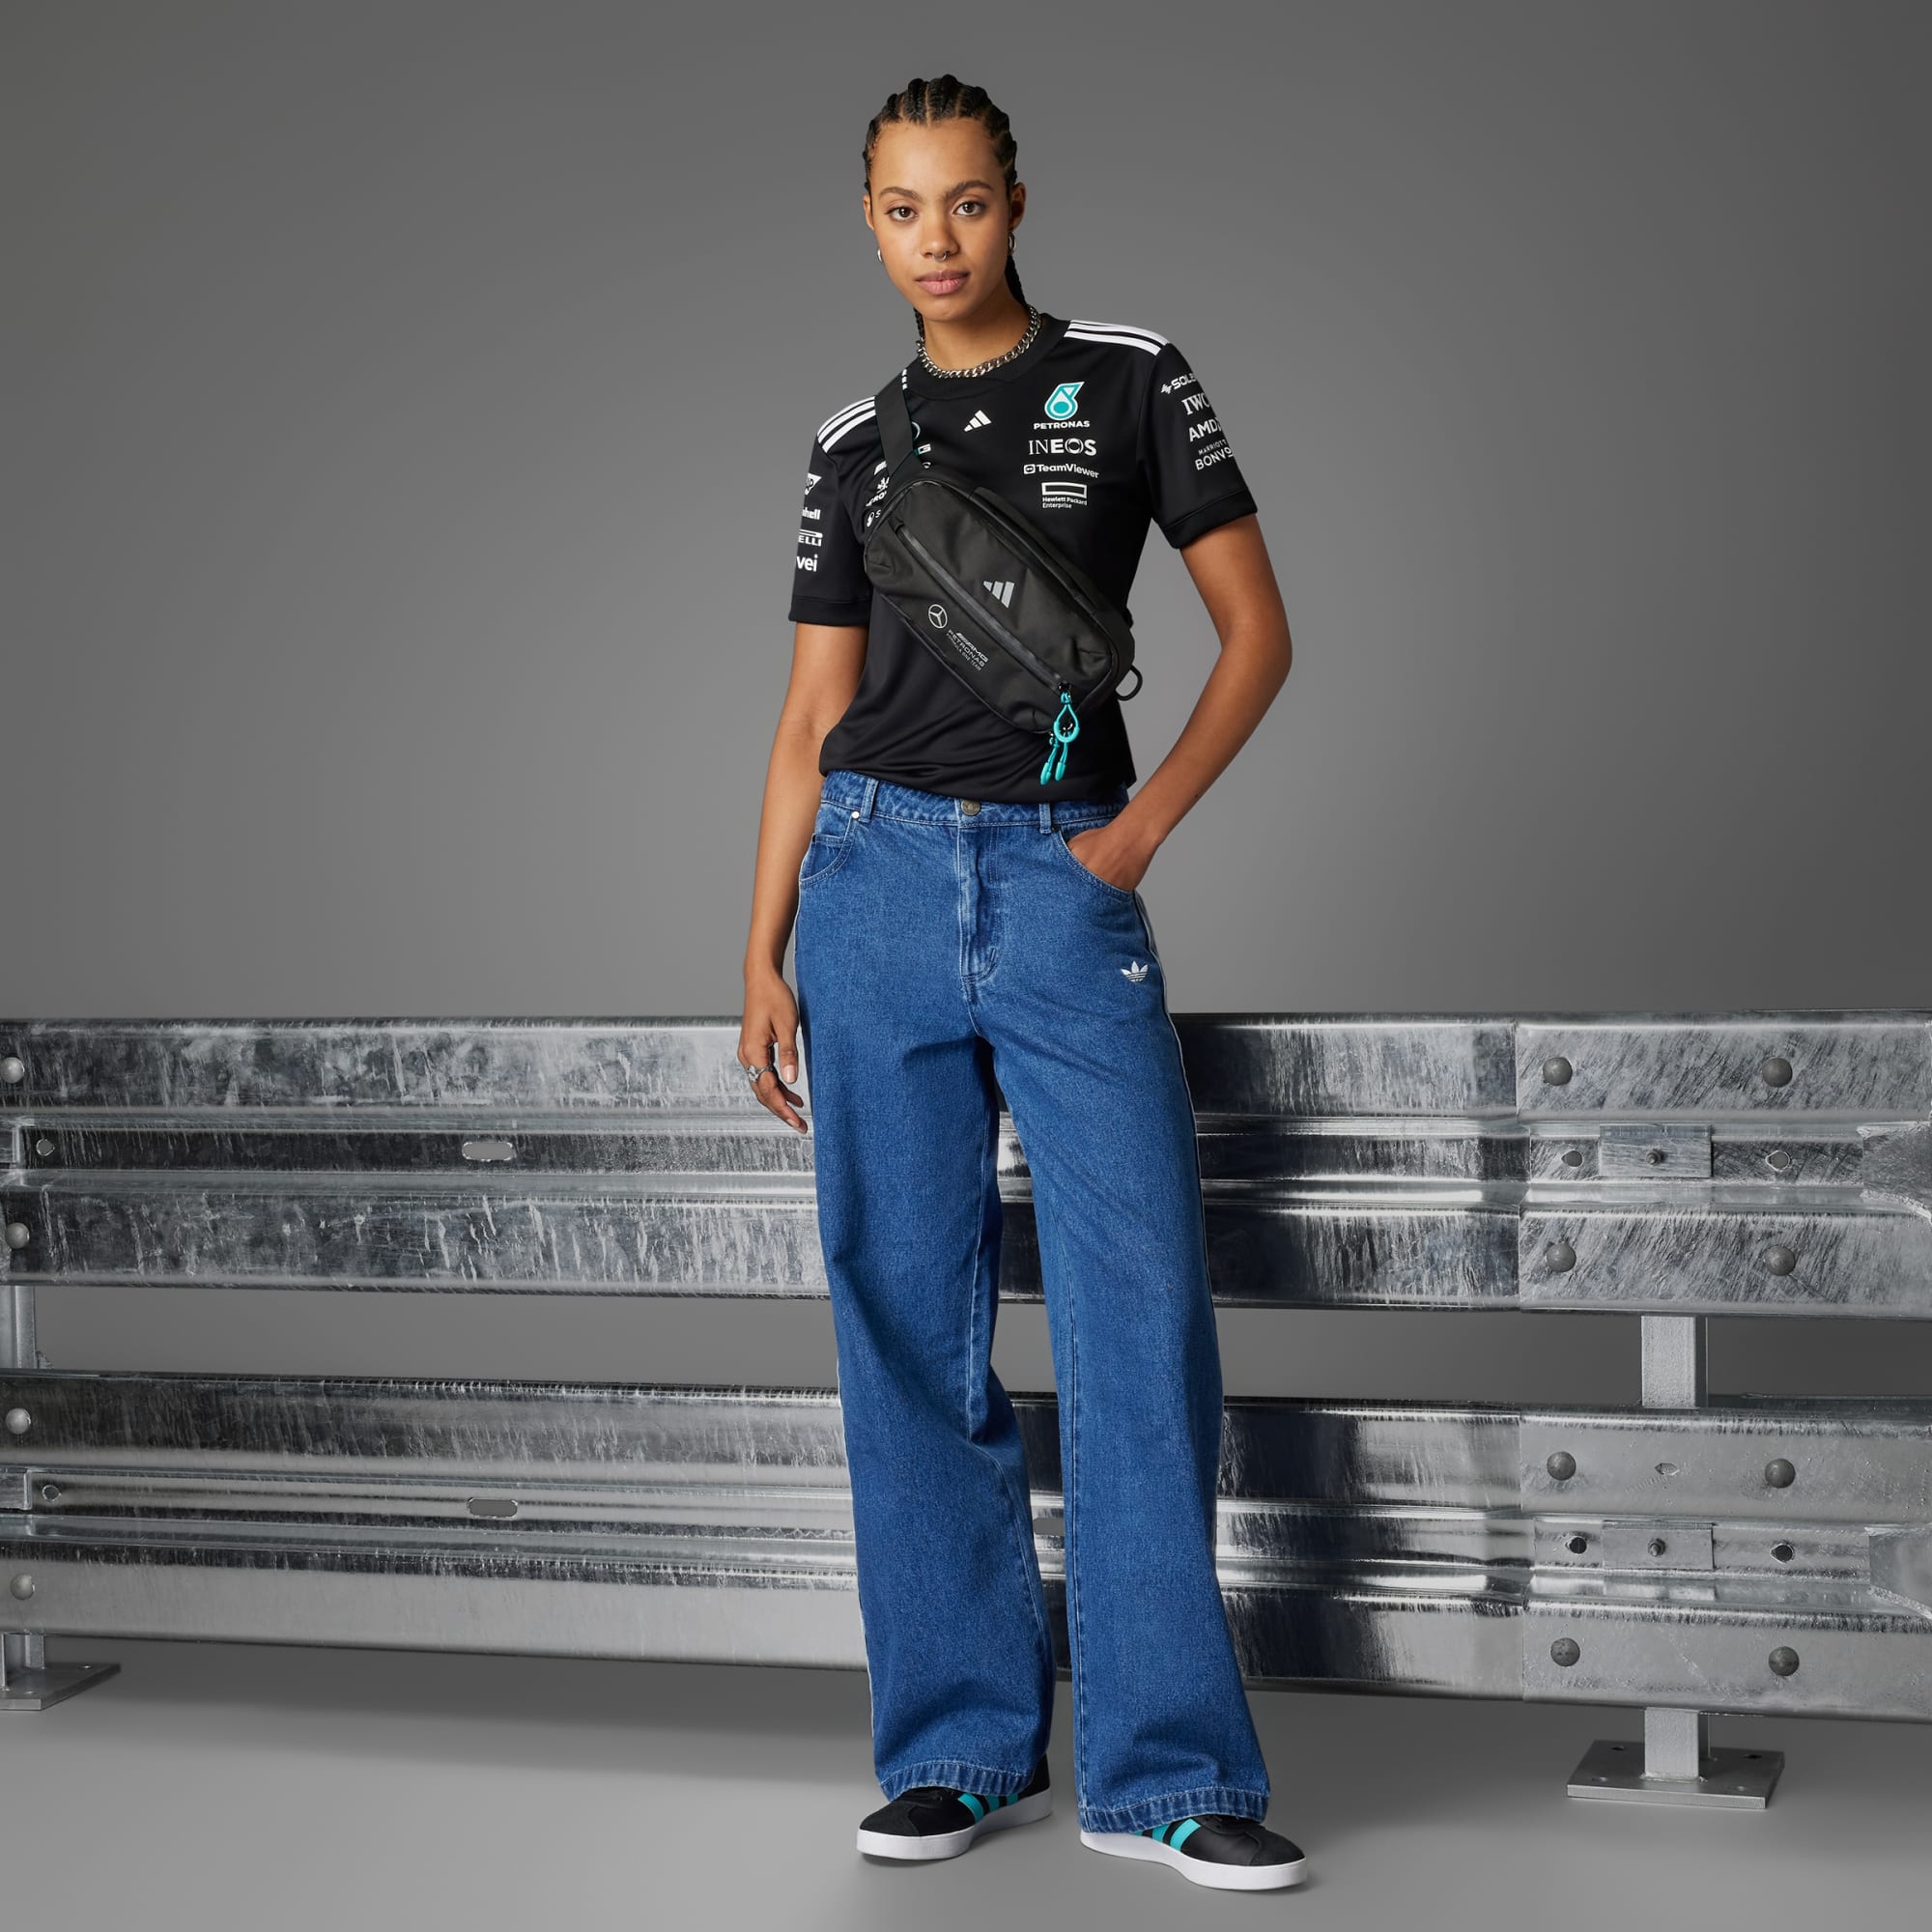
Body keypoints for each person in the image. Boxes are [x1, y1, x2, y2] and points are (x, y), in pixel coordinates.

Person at [739, 73, 1301, 1894]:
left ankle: (1170, 1772)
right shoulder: (852, 442)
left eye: (967, 203)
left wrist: (1130, 840)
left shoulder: (1129, 378)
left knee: (1140, 1318)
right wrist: (760, 946)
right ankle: (956, 1752)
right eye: (905, 210)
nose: (938, 240)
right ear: (870, 222)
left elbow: (1257, 634)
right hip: (873, 886)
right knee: (904, 1325)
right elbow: (812, 718)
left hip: (1066, 885)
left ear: (1016, 203)